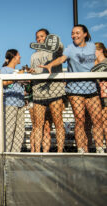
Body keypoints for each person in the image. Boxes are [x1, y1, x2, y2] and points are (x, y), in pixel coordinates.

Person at [41, 24, 104, 153]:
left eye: (77, 33)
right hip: (75, 89)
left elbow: (102, 61)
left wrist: (102, 65)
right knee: (80, 119)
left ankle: (99, 147)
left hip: (91, 88)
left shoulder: (92, 48)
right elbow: (61, 59)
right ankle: (81, 148)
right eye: (72, 33)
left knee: (97, 119)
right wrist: (50, 65)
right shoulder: (70, 48)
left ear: (85, 34)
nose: (74, 35)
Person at [30, 28, 66, 153]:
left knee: (58, 123)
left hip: (55, 90)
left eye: (42, 36)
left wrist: (54, 43)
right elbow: (35, 71)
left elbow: (61, 49)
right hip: (39, 92)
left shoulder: (55, 50)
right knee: (38, 125)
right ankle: (37, 152)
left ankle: (60, 151)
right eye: (37, 37)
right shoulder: (33, 55)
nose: (39, 39)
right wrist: (31, 72)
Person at [0, 49, 26, 152]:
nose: (20, 57)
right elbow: (4, 82)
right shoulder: (5, 69)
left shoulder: (19, 71)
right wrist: (17, 76)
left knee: (19, 131)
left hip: (21, 102)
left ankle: (15, 154)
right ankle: (6, 153)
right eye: (19, 55)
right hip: (10, 103)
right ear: (14, 56)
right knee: (9, 130)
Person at [95, 42, 107, 149]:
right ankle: (99, 148)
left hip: (105, 95)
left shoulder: (105, 62)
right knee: (99, 124)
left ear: (101, 50)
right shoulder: (94, 64)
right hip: (96, 97)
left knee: (105, 124)